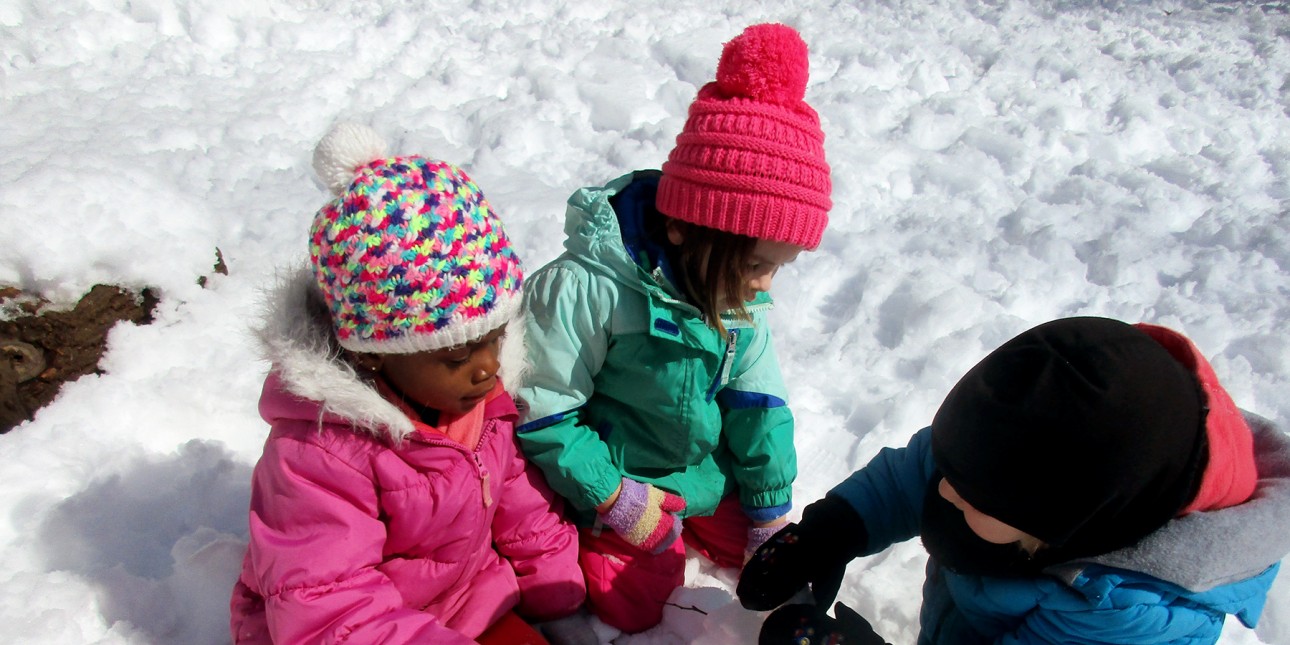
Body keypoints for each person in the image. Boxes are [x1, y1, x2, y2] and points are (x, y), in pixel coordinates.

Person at [513, 22, 832, 634]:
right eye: (758, 265)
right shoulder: (590, 286)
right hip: (619, 477)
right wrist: (611, 494)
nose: (766, 286)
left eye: (778, 268)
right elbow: (543, 404)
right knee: (628, 603)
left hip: (702, 477)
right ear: (688, 229)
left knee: (777, 562)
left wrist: (768, 507)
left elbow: (759, 403)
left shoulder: (736, 295)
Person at [228, 123, 585, 644]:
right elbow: (329, 611)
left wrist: (556, 591)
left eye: (494, 336)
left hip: (466, 604)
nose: (487, 368)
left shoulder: (475, 399)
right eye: (457, 354)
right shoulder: (320, 456)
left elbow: (514, 493)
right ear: (373, 353)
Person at [739, 316, 1290, 644]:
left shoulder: (1131, 612)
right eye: (953, 471)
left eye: (966, 490)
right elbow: (919, 471)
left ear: (1063, 529)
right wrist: (834, 529)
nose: (944, 489)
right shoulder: (1016, 469)